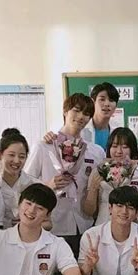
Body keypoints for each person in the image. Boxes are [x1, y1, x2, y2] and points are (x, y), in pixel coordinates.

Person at [25, 93, 106, 253]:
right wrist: (49, 185)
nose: (81, 117)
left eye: (86, 114)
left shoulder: (94, 152)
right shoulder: (44, 146)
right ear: (65, 111)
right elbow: (26, 185)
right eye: (76, 110)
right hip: (53, 225)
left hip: (84, 224)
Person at [79, 186, 138, 275]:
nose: (124, 211)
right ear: (110, 208)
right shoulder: (90, 235)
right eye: (119, 206)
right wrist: (87, 266)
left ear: (137, 213)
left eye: (130, 208)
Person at [82, 127, 138, 226]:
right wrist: (93, 188)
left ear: (132, 149)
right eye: (114, 146)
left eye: (124, 147)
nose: (119, 151)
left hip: (129, 227)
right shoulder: (98, 171)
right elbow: (89, 211)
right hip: (102, 227)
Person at [0, 128, 36, 229]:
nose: (16, 161)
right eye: (11, 155)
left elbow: (48, 223)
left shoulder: (34, 185)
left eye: (22, 156)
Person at [82, 82, 121, 149]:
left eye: (111, 100)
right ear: (93, 102)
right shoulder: (82, 128)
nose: (107, 104)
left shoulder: (118, 131)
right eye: (102, 99)